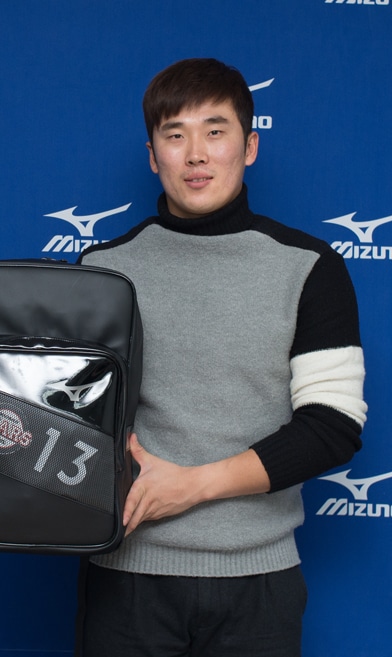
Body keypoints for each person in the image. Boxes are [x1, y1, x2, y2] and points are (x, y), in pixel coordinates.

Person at [77, 57, 367, 657]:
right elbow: (72, 415)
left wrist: (192, 486)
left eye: (215, 131)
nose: (196, 154)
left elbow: (333, 426)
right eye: (174, 135)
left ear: (249, 146)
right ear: (153, 156)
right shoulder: (101, 270)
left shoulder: (310, 267)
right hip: (125, 581)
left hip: (261, 586)